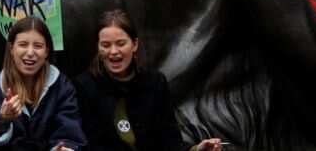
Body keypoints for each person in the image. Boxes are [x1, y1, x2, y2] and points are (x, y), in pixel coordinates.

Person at [74, 10, 223, 151]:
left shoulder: (155, 83)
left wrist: (197, 149)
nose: (113, 52)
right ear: (98, 48)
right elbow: (90, 144)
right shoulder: (84, 87)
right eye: (106, 45)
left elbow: (170, 141)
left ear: (134, 44)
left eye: (120, 43)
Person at [0, 17, 86, 150]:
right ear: (11, 49)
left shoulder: (62, 86)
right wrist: (2, 119)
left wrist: (65, 148)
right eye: (23, 44)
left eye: (38, 46)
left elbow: (69, 132)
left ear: (46, 51)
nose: (30, 53)